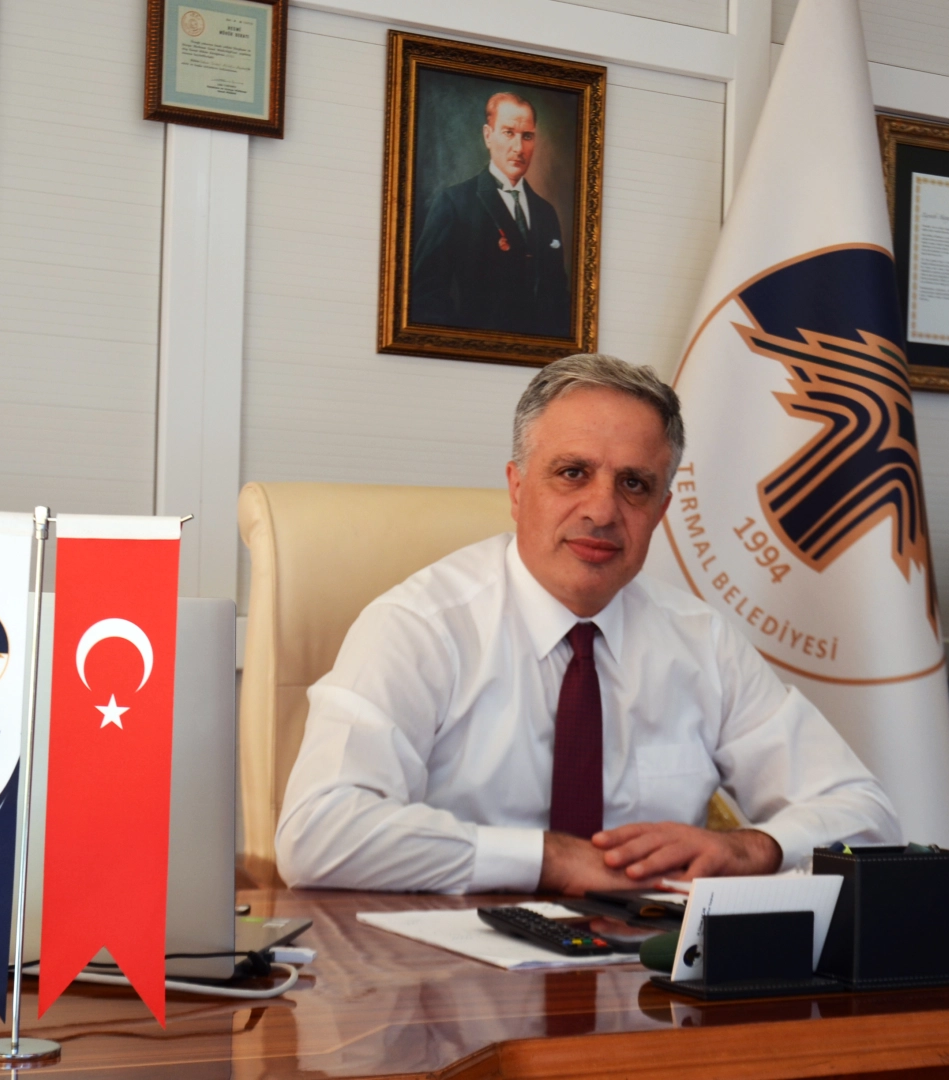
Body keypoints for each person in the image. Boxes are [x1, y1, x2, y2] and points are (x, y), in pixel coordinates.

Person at [276, 353, 901, 894]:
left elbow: (870, 817)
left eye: (634, 485)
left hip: (644, 966)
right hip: (448, 967)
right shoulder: (421, 627)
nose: (602, 510)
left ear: (661, 510)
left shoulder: (700, 641)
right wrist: (547, 859)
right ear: (517, 488)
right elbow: (317, 833)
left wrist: (753, 848)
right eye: (573, 473)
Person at [408, 92, 571, 338]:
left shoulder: (545, 212)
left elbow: (559, 299)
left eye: (527, 136)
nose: (519, 148)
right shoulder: (454, 203)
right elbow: (426, 296)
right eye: (508, 133)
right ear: (488, 135)